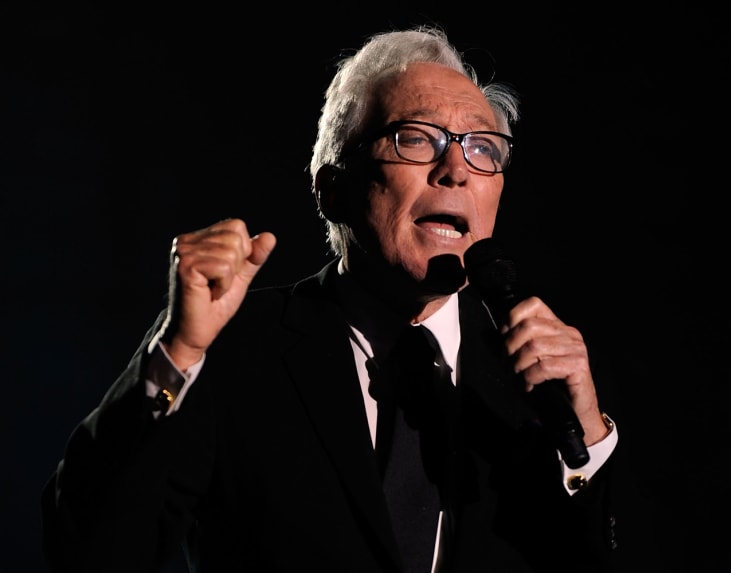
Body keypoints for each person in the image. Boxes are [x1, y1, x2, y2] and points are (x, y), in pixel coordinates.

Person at [41, 24, 663, 573]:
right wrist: (176, 353)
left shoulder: (544, 377)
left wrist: (585, 438)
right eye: (417, 139)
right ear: (332, 190)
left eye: (482, 149)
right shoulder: (231, 347)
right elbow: (91, 550)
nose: (456, 171)